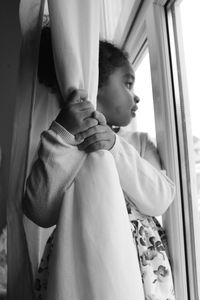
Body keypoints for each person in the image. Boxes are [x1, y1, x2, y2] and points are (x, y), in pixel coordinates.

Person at [23, 26, 176, 300]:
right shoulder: (62, 142)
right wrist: (62, 136)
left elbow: (160, 198)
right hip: (77, 263)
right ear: (96, 85)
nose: (136, 95)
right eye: (128, 83)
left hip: (140, 270)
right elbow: (38, 211)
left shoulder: (138, 143)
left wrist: (115, 148)